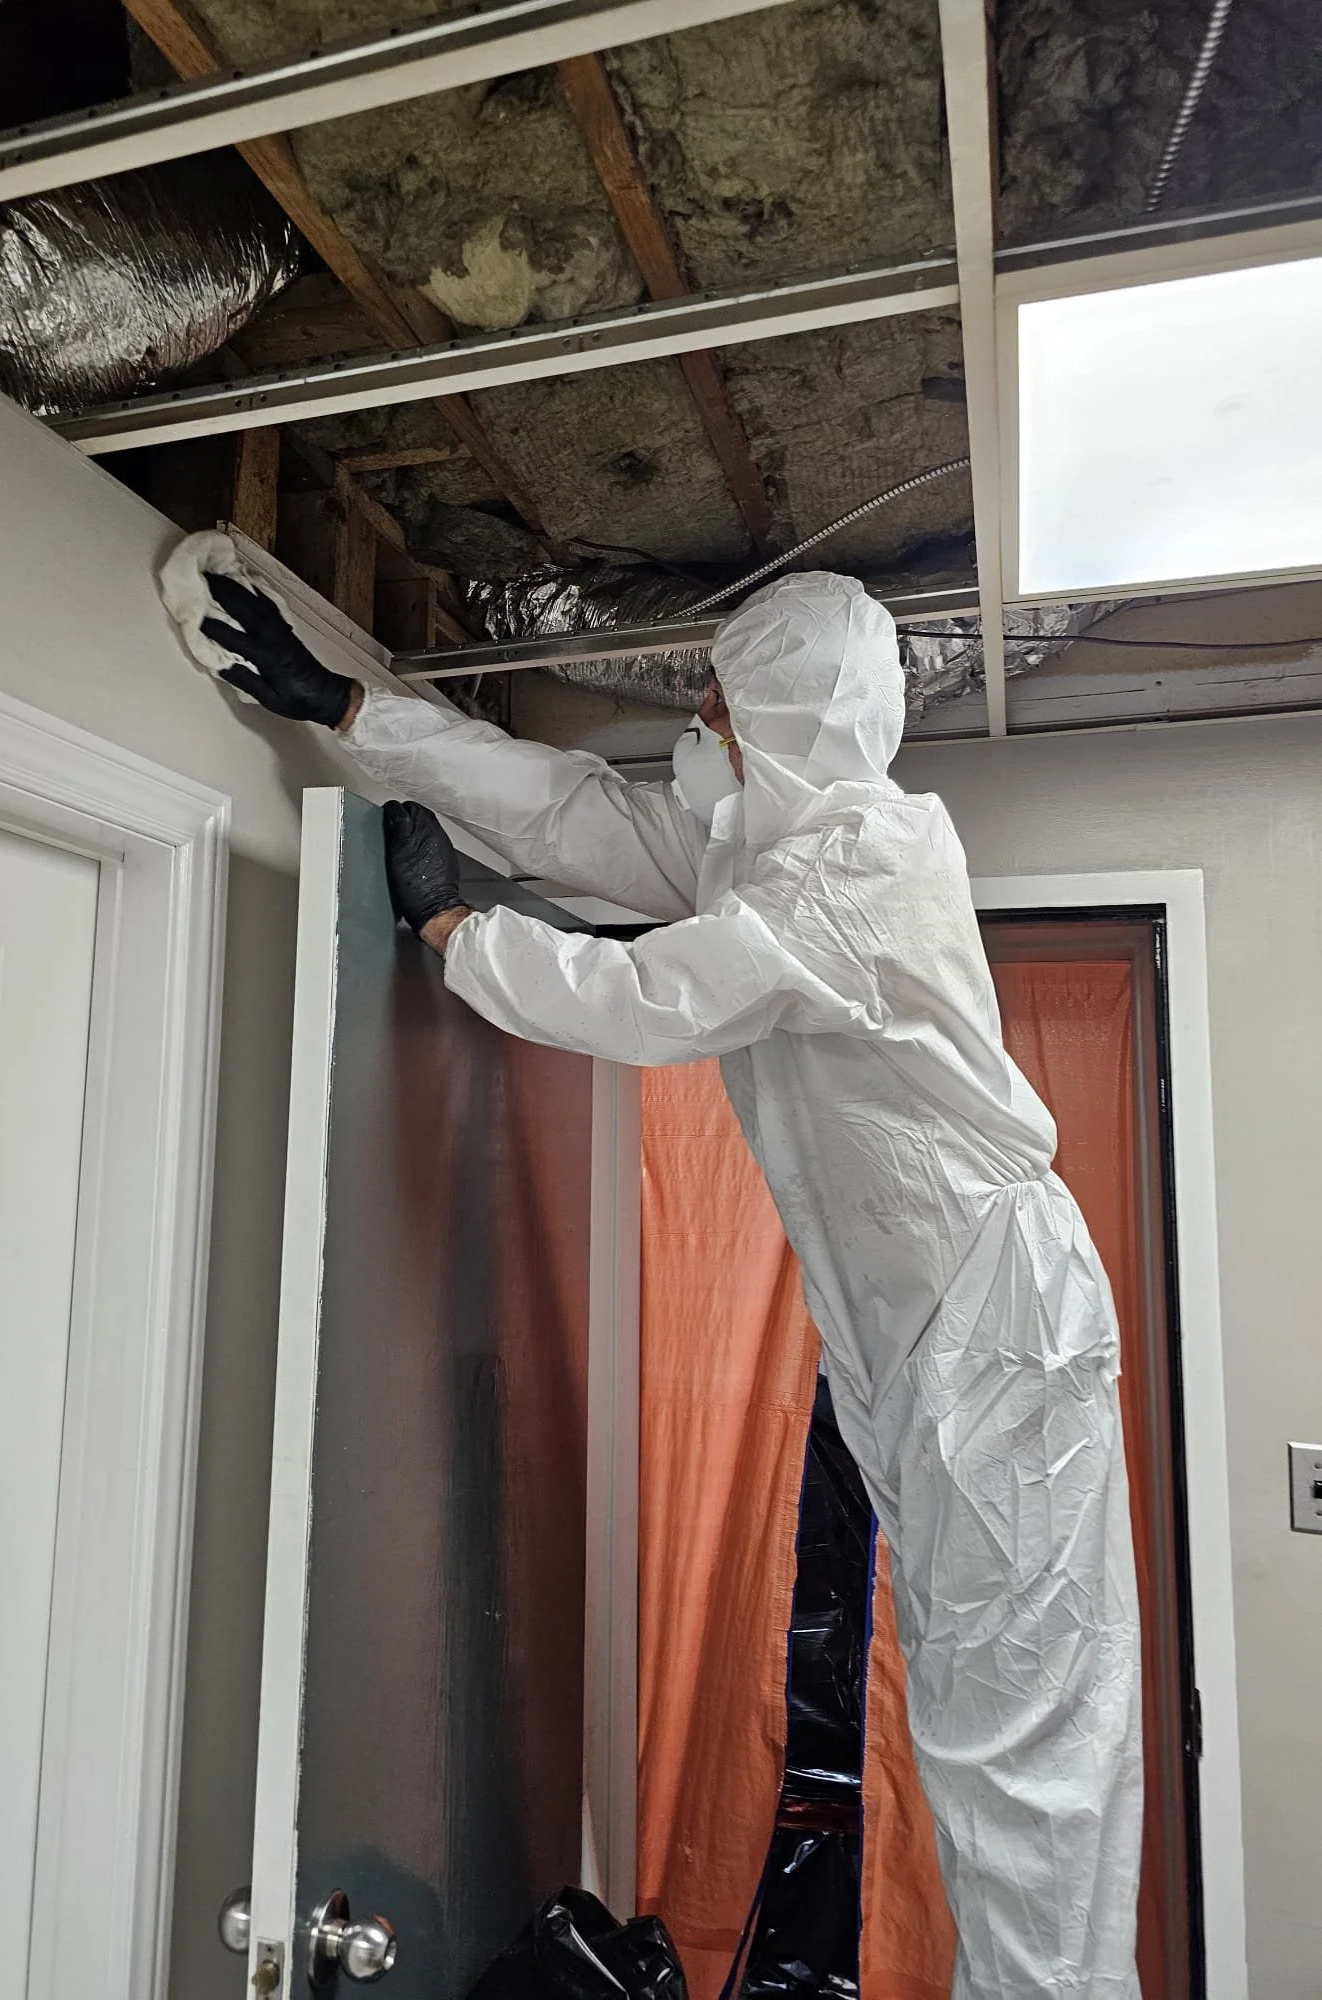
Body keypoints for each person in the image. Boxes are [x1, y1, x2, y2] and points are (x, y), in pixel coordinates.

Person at [202, 565, 1143, 2000]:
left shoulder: (852, 874)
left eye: (719, 696)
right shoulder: (774, 849)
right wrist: (353, 710)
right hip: (924, 1325)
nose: (696, 717)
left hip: (993, 1325)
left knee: (1026, 1751)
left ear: (779, 719)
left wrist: (458, 940)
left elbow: (654, 998)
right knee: (982, 1723)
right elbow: (574, 816)